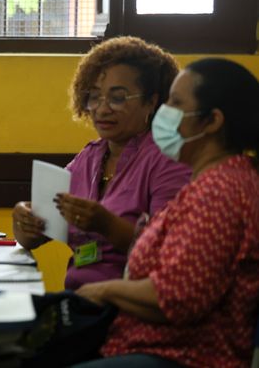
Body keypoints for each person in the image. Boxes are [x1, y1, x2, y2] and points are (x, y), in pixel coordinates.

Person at [73, 58, 259, 368]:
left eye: (175, 103)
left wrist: (102, 290)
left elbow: (175, 297)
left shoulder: (220, 192)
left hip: (181, 357)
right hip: (145, 347)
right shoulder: (213, 182)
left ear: (211, 121)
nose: (164, 113)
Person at [13, 37, 190, 289]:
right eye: (93, 97)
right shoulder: (90, 156)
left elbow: (170, 252)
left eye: (118, 97)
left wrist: (108, 226)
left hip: (130, 305)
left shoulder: (168, 160)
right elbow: (33, 238)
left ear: (151, 101)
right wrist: (25, 220)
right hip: (79, 299)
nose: (102, 109)